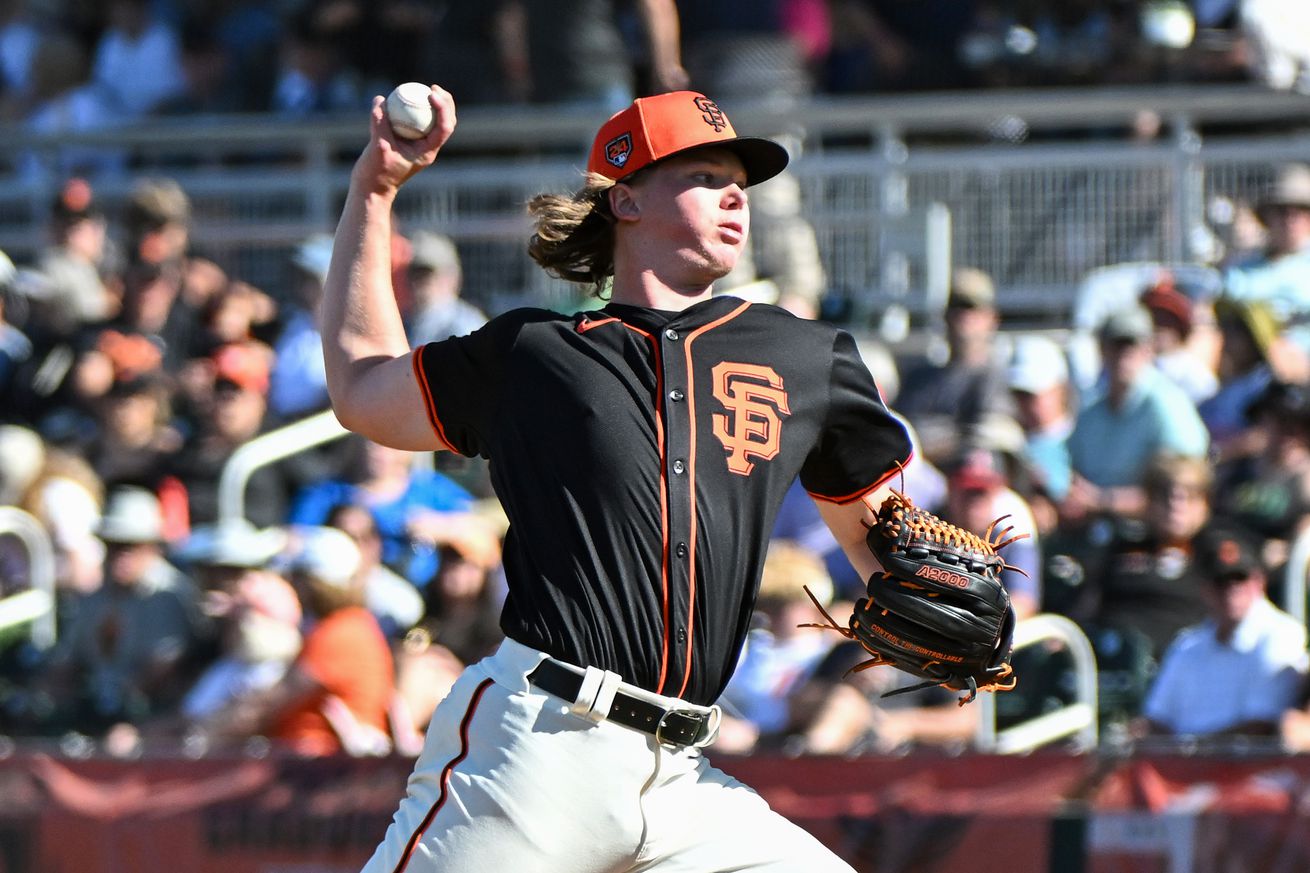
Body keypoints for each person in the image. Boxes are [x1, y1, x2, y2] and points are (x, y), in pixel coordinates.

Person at [322, 86, 912, 871]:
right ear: (625, 199)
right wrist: (375, 189)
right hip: (538, 747)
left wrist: (939, 597)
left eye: (739, 176)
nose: (735, 190)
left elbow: (893, 551)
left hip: (687, 780)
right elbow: (364, 390)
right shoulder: (534, 354)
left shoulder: (804, 358)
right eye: (703, 173)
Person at [1139, 521, 1307, 739]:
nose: (1232, 591)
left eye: (1240, 578)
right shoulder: (1188, 645)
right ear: (1205, 589)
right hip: (1179, 767)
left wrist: (1190, 751)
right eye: (1222, 582)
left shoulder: (1282, 634)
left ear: (1258, 582)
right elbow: (1156, 720)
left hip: (1245, 769)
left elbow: (1260, 727)